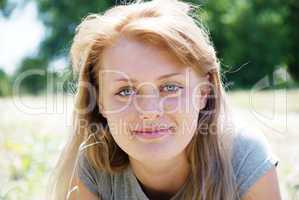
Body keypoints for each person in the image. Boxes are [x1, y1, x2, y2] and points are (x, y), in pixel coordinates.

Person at [47, 0, 281, 199]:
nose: (149, 111)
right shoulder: (93, 165)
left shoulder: (243, 158)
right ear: (100, 102)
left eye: (170, 87)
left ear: (203, 93)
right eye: (125, 91)